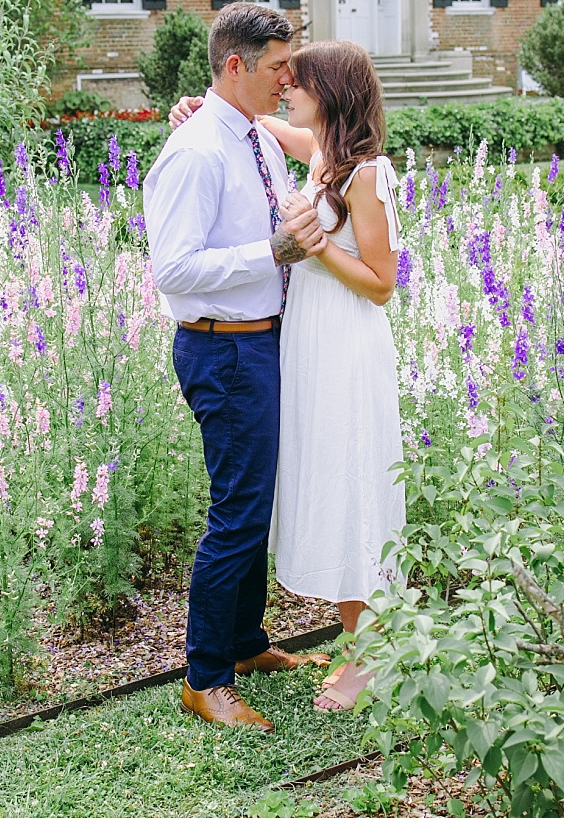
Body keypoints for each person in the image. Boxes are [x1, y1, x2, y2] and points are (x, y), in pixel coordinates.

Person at [168, 39, 405, 713]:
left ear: (329, 91)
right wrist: (198, 107)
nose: (285, 92)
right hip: (309, 347)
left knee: (357, 486)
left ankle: (372, 657)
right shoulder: (324, 155)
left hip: (349, 347)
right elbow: (252, 120)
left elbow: (384, 285)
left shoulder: (367, 173)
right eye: (282, 79)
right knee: (331, 484)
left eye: (297, 83)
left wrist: (317, 244)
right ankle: (360, 642)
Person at [142, 3, 332, 734]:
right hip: (222, 348)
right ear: (235, 66)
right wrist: (274, 253)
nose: (291, 78)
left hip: (261, 340)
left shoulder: (251, 134)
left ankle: (246, 644)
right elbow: (176, 269)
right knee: (237, 510)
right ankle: (205, 677)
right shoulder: (195, 153)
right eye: (280, 66)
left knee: (257, 501)